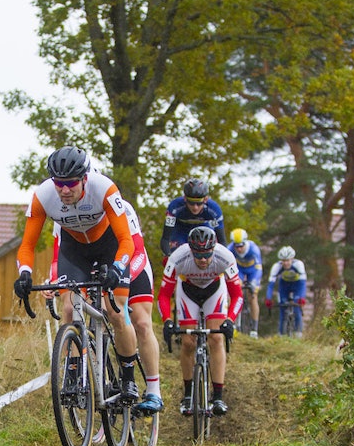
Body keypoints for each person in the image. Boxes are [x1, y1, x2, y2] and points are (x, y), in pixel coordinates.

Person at [13, 146, 140, 401]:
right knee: (69, 309)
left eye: (71, 183)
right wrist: (24, 273)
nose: (64, 190)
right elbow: (27, 245)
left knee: (116, 312)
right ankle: (72, 373)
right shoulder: (43, 195)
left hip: (108, 246)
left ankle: (128, 378)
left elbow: (127, 240)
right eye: (59, 183)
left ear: (84, 178)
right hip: (74, 250)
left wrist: (117, 268)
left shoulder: (104, 188)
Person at [49, 199, 163, 412]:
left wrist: (120, 280)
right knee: (74, 305)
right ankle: (83, 372)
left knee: (139, 321)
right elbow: (59, 256)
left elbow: (136, 250)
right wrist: (53, 280)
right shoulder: (64, 213)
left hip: (131, 263)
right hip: (93, 264)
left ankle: (153, 391)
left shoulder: (121, 208)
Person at [158, 226, 243, 417]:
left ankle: (218, 396)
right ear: (190, 251)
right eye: (198, 255)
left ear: (214, 249)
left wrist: (230, 320)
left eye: (207, 255)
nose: (203, 260)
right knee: (188, 342)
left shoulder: (225, 257)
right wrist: (167, 321)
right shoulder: (178, 258)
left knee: (216, 339)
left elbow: (237, 295)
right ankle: (188, 394)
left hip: (214, 290)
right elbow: (163, 295)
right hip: (188, 292)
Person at [159, 178, 225, 259]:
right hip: (180, 230)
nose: (195, 207)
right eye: (191, 202)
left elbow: (222, 241)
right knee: (176, 254)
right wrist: (169, 256)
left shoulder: (214, 210)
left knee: (209, 252)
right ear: (185, 199)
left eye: (199, 203)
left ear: (205, 199)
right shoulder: (174, 207)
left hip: (203, 227)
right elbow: (165, 239)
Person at [264, 245, 308, 337]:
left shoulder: (298, 265)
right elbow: (271, 284)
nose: (286, 263)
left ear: (292, 259)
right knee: (283, 309)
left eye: (288, 260)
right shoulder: (277, 266)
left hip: (297, 286)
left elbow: (303, 283)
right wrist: (268, 298)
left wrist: (302, 297)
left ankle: (298, 333)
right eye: (283, 261)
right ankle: (281, 335)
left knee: (297, 308)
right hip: (284, 286)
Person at [227, 228, 263, 338]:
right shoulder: (229, 249)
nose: (239, 249)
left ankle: (254, 329)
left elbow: (258, 268)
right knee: (234, 293)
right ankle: (233, 323)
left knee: (253, 296)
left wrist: (254, 283)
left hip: (253, 271)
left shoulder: (254, 249)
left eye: (241, 246)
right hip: (239, 270)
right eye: (236, 246)